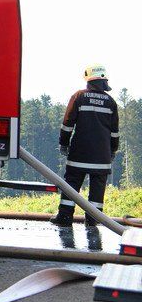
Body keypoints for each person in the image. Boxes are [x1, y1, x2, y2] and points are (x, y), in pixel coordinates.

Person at [50, 64, 119, 227]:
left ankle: (65, 218)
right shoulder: (111, 102)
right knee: (97, 191)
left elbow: (67, 124)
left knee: (71, 185)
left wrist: (64, 143)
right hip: (102, 157)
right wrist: (112, 150)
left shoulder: (79, 97)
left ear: (88, 80)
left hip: (79, 154)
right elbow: (114, 132)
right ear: (104, 82)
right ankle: (93, 221)